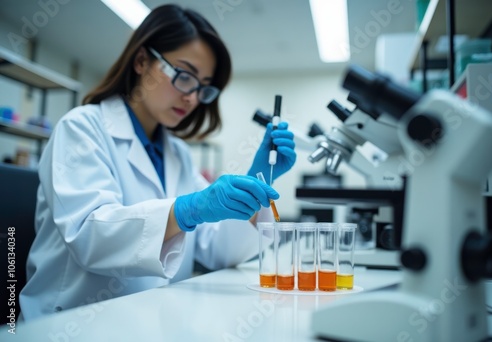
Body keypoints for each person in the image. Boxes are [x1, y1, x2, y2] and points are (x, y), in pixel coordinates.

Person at [19, 4, 296, 320]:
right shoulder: (81, 129)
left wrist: (260, 180)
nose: (192, 97)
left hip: (154, 320)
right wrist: (185, 210)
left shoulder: (176, 153)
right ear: (141, 61)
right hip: (72, 323)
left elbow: (220, 251)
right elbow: (90, 238)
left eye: (203, 86)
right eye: (184, 76)